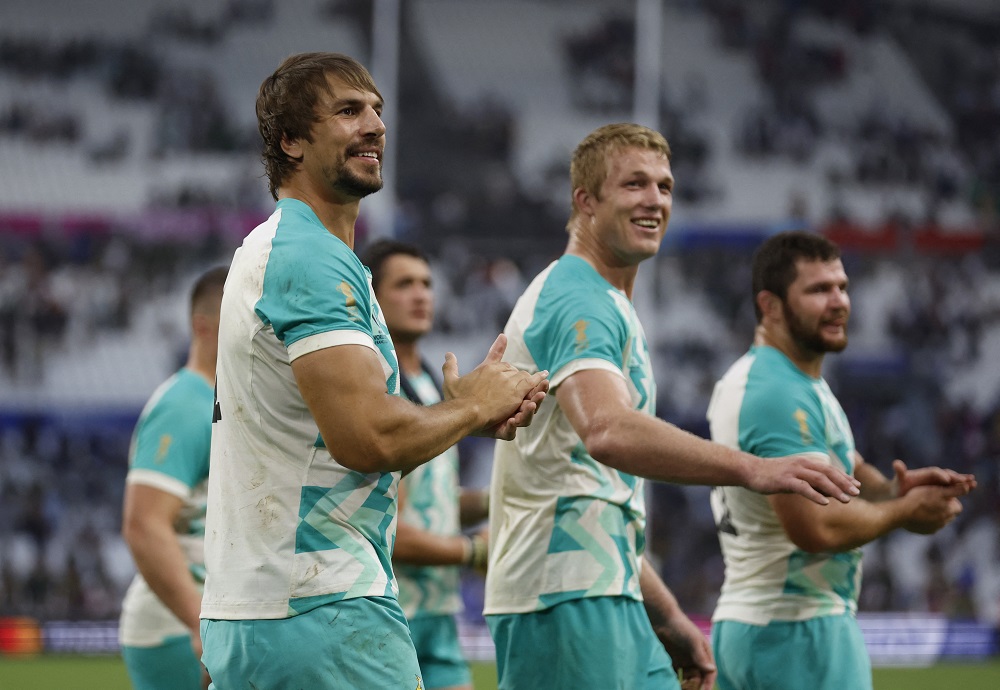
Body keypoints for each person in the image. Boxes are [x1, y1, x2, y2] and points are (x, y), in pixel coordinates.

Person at [199, 52, 548, 690]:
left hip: (258, 608)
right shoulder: (311, 257)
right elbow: (366, 440)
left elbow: (319, 445)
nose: (375, 125)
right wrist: (471, 406)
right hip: (323, 607)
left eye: (377, 110)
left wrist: (464, 415)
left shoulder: (270, 248)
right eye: (348, 110)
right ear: (291, 140)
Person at [483, 123, 863, 690]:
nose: (655, 199)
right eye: (634, 184)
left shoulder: (602, 299)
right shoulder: (579, 296)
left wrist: (667, 616)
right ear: (586, 201)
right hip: (562, 596)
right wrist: (754, 468)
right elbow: (607, 431)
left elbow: (591, 491)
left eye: (664, 186)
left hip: (595, 589)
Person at [707, 230, 977, 690]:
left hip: (770, 627)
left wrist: (892, 490)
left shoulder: (789, 382)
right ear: (770, 306)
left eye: (842, 287)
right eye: (819, 290)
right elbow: (816, 527)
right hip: (795, 632)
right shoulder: (778, 392)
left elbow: (843, 469)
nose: (839, 302)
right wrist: (904, 511)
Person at [361, 238, 490, 690]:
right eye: (404, 284)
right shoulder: (377, 386)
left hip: (438, 611)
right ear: (373, 297)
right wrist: (474, 552)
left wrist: (495, 501)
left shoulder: (431, 383)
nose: (420, 295)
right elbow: (381, 521)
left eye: (426, 283)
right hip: (390, 614)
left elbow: (430, 501)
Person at [120, 265, 227, 690]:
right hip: (178, 629)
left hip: (192, 621)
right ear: (202, 326)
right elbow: (143, 525)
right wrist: (199, 624)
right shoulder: (184, 406)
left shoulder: (213, 399)